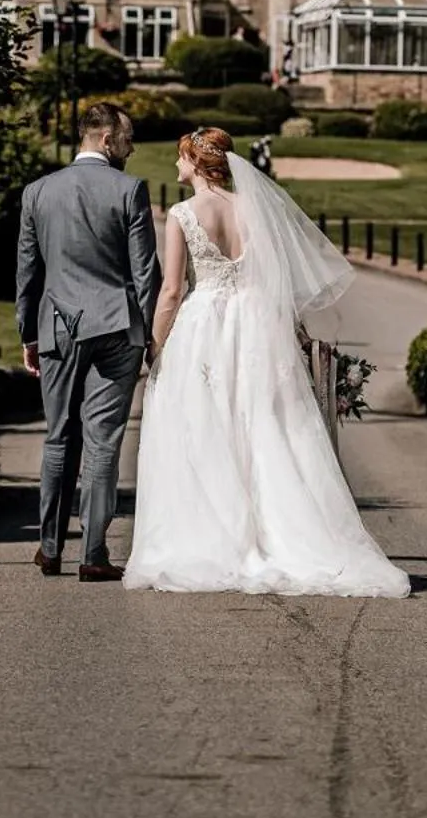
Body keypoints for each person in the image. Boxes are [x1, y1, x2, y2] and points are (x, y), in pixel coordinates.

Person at [123, 127, 410, 598]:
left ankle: (212, 540)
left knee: (204, 428)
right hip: (255, 323)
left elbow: (172, 291)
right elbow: (274, 279)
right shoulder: (253, 209)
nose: (176, 167)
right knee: (266, 428)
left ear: (195, 163)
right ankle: (284, 537)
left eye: (180, 158)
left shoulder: (181, 214)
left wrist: (156, 345)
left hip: (207, 325)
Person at [16, 102, 160, 582]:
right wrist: (150, 335)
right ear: (104, 139)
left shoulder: (37, 192)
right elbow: (145, 274)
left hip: (57, 328)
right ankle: (93, 555)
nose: (131, 147)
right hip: (117, 330)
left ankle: (50, 547)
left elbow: (28, 272)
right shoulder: (130, 190)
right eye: (127, 138)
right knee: (102, 442)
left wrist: (28, 334)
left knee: (58, 437)